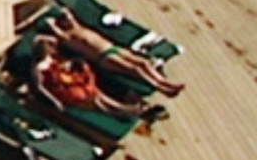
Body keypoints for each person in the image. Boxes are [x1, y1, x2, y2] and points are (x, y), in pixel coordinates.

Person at [42, 13, 186, 96]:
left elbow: (69, 15)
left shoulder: (78, 27)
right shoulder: (67, 37)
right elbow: (51, 25)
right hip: (103, 57)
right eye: (65, 20)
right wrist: (53, 23)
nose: (68, 19)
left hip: (113, 48)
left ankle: (166, 83)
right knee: (135, 70)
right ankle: (162, 88)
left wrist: (64, 12)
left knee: (144, 63)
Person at [30, 35, 154, 118]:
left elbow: (64, 63)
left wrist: (71, 64)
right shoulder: (38, 67)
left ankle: (131, 110)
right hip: (68, 90)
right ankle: (130, 111)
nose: (53, 48)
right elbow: (39, 86)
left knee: (100, 97)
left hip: (75, 83)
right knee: (99, 103)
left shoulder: (53, 59)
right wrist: (54, 101)